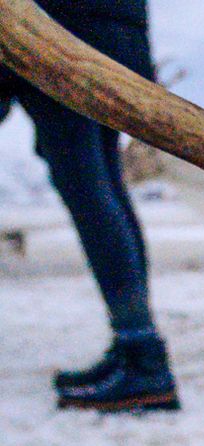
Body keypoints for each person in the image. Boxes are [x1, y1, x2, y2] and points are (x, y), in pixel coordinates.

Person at [0, 0, 178, 411]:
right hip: (111, 34)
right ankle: (137, 347)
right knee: (104, 183)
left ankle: (143, 359)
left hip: (59, 35)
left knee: (86, 183)